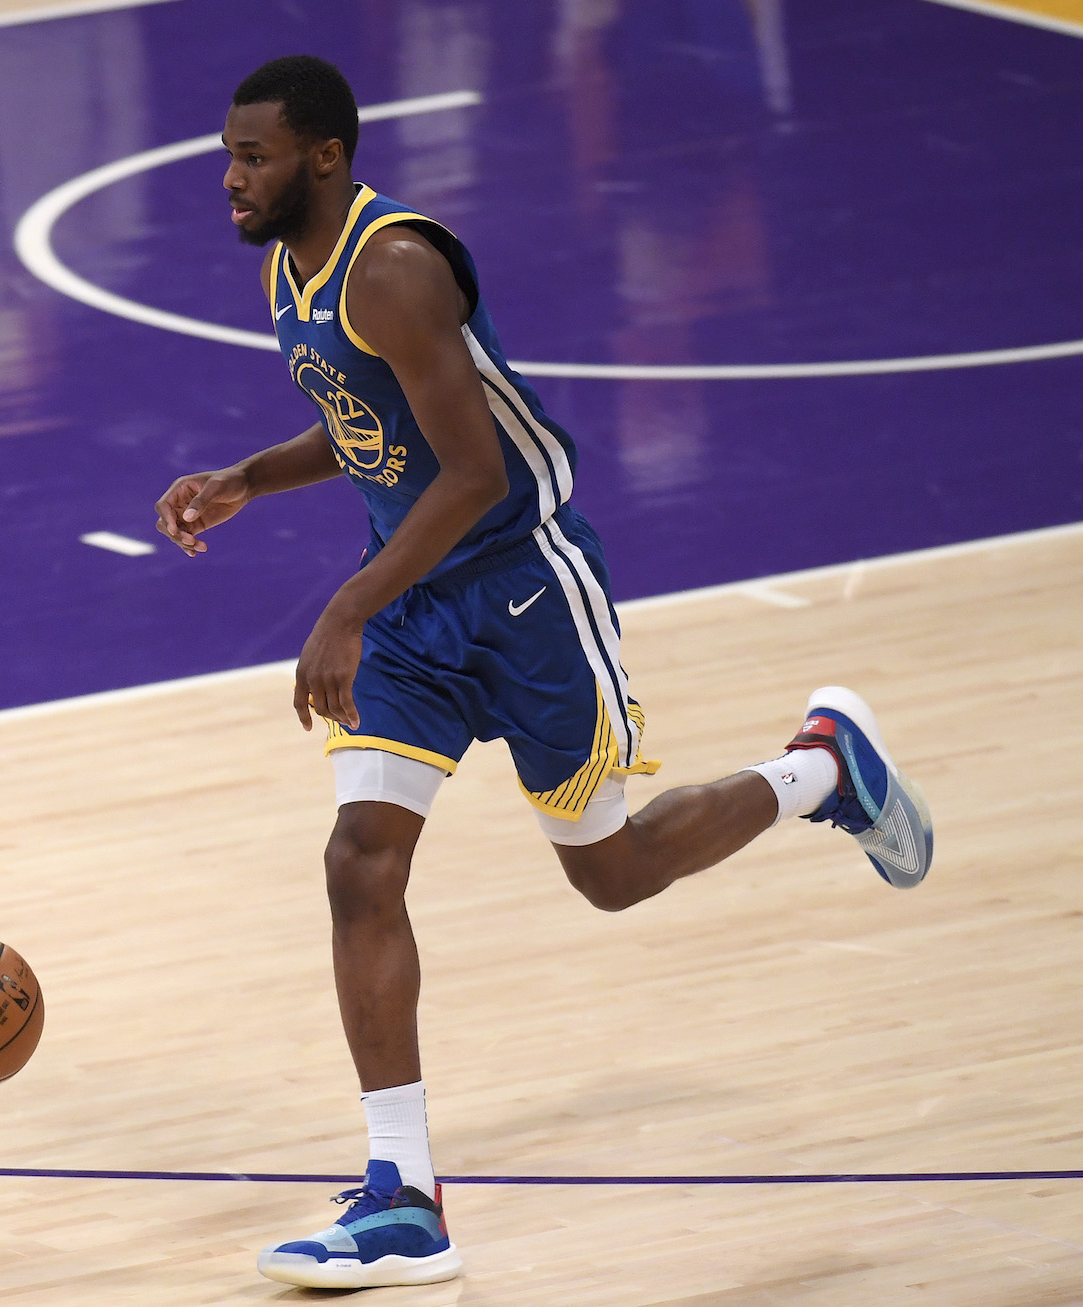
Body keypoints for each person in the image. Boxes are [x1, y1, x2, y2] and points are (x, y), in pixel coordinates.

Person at [153, 55, 935, 1291]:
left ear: (324, 157)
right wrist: (250, 476)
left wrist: (345, 603)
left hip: (523, 590)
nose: (231, 179)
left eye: (251, 157)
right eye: (226, 158)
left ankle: (820, 768)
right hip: (415, 604)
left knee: (611, 873)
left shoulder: (392, 267)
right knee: (359, 858)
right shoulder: (287, 270)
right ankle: (400, 1194)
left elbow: (468, 472)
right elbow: (370, 422)